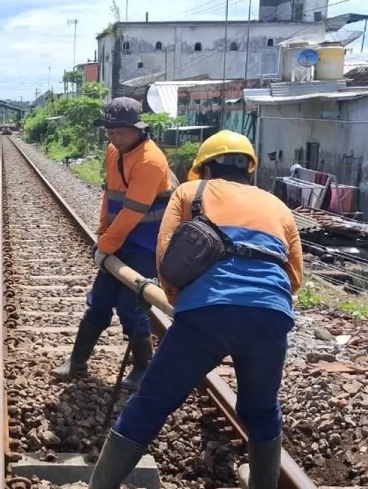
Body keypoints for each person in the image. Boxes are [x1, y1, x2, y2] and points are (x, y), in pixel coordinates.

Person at [89, 130, 304, 489]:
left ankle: (100, 485)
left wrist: (177, 301)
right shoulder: (277, 206)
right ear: (249, 169)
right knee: (262, 409)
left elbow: (165, 256)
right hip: (270, 315)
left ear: (203, 168)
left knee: (152, 403)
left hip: (206, 314)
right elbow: (294, 275)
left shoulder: (190, 192)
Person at [51, 97, 178, 390]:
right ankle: (77, 361)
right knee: (99, 301)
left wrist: (106, 245)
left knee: (131, 306)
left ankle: (143, 367)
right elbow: (110, 196)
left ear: (138, 130)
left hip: (145, 244)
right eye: (110, 131)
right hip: (121, 238)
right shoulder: (114, 150)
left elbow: (133, 211)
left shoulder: (150, 160)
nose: (115, 137)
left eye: (121, 132)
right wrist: (103, 233)